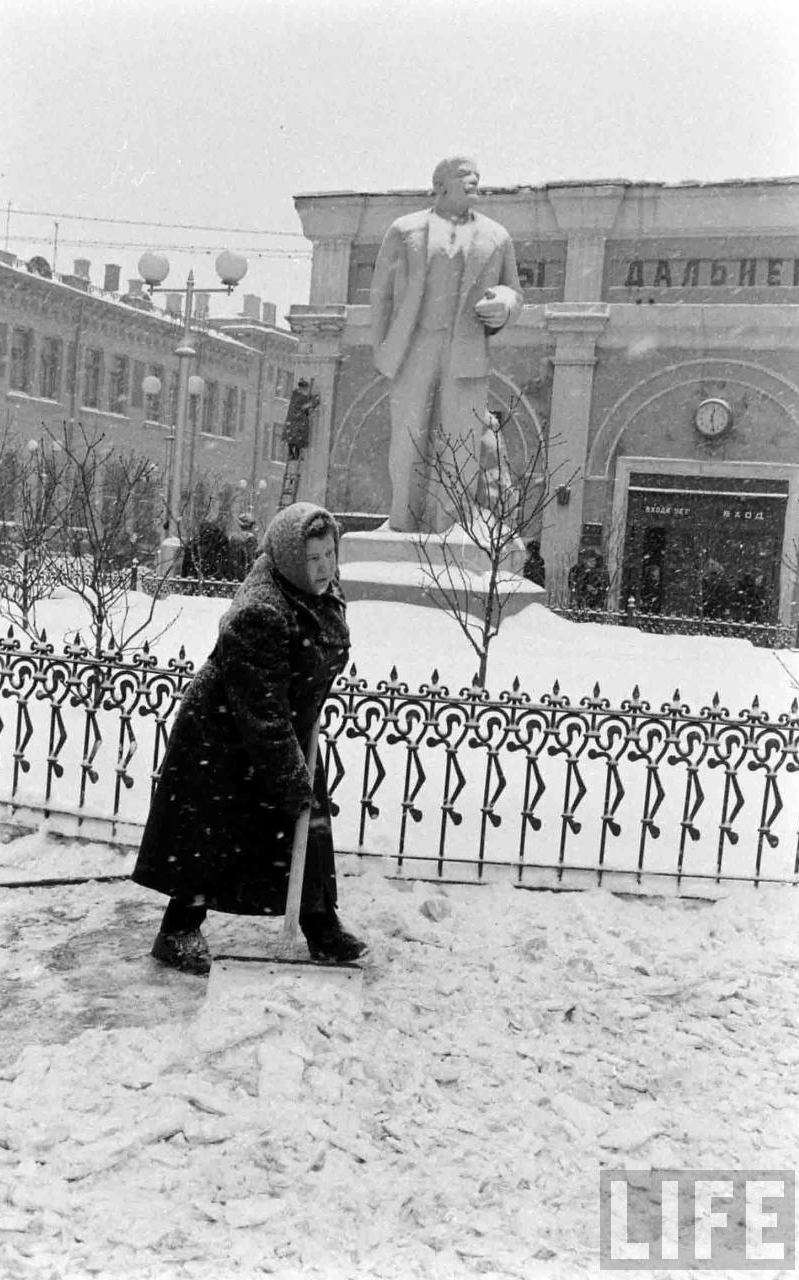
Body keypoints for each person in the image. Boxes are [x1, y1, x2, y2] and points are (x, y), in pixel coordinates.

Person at [132, 502, 366, 974]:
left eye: (329, 554)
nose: (324, 568)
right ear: (290, 558)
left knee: (305, 830)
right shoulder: (259, 611)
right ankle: (176, 931)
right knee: (216, 834)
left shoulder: (311, 587)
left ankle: (320, 924)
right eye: (313, 558)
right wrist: (291, 778)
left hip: (285, 725)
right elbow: (260, 712)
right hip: (222, 737)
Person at [370, 155, 523, 534]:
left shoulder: (497, 236)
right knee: (409, 434)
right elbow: (381, 296)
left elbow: (515, 292)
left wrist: (504, 305)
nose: (474, 180)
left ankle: (448, 524)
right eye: (463, 174)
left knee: (461, 439)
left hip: (467, 352)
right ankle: (403, 519)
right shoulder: (405, 230)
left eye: (476, 175)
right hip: (416, 345)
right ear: (440, 184)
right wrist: (383, 348)